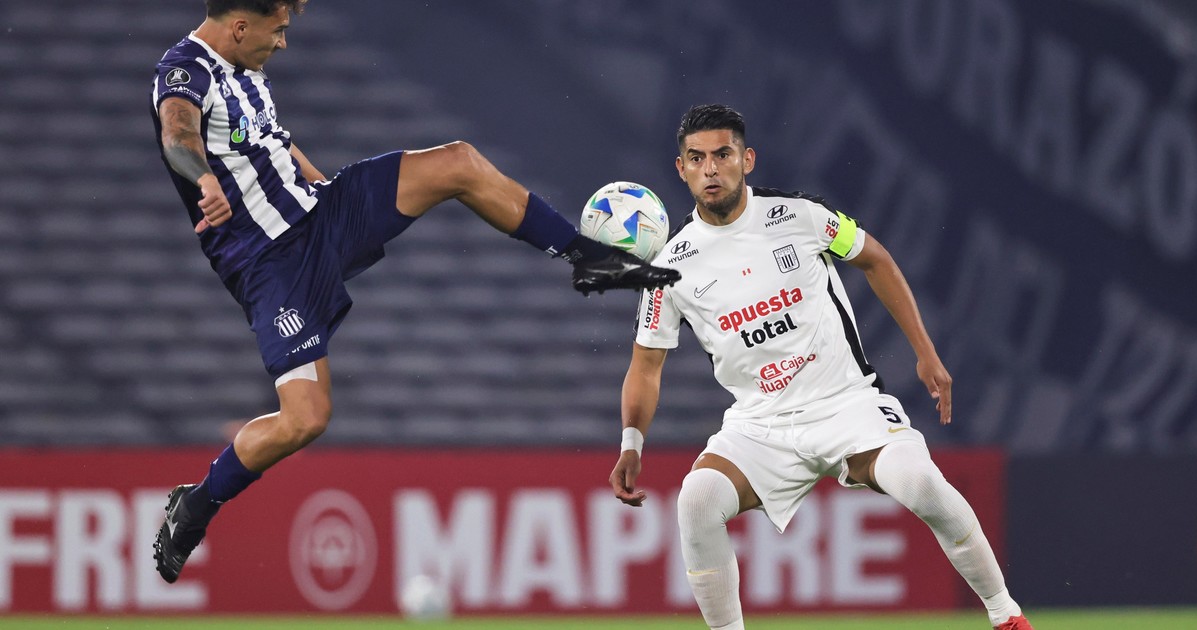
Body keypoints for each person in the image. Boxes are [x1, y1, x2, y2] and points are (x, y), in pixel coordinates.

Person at [149, 0, 680, 584]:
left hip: (322, 215)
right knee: (306, 418)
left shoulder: (246, 67)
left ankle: (586, 257)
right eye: (277, 31)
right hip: (271, 264)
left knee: (458, 162)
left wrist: (324, 185)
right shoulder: (184, 71)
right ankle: (196, 505)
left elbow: (271, 142)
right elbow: (178, 132)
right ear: (239, 26)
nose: (283, 43)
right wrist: (202, 178)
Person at [608, 104, 1032, 630]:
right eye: (697, 159)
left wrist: (925, 351)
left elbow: (875, 259)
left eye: (723, 154)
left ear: (747, 159)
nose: (711, 169)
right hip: (760, 425)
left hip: (845, 405)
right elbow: (646, 365)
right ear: (681, 169)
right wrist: (631, 443)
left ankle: (1006, 616)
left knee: (921, 483)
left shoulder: (800, 216)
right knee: (696, 500)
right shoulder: (668, 268)